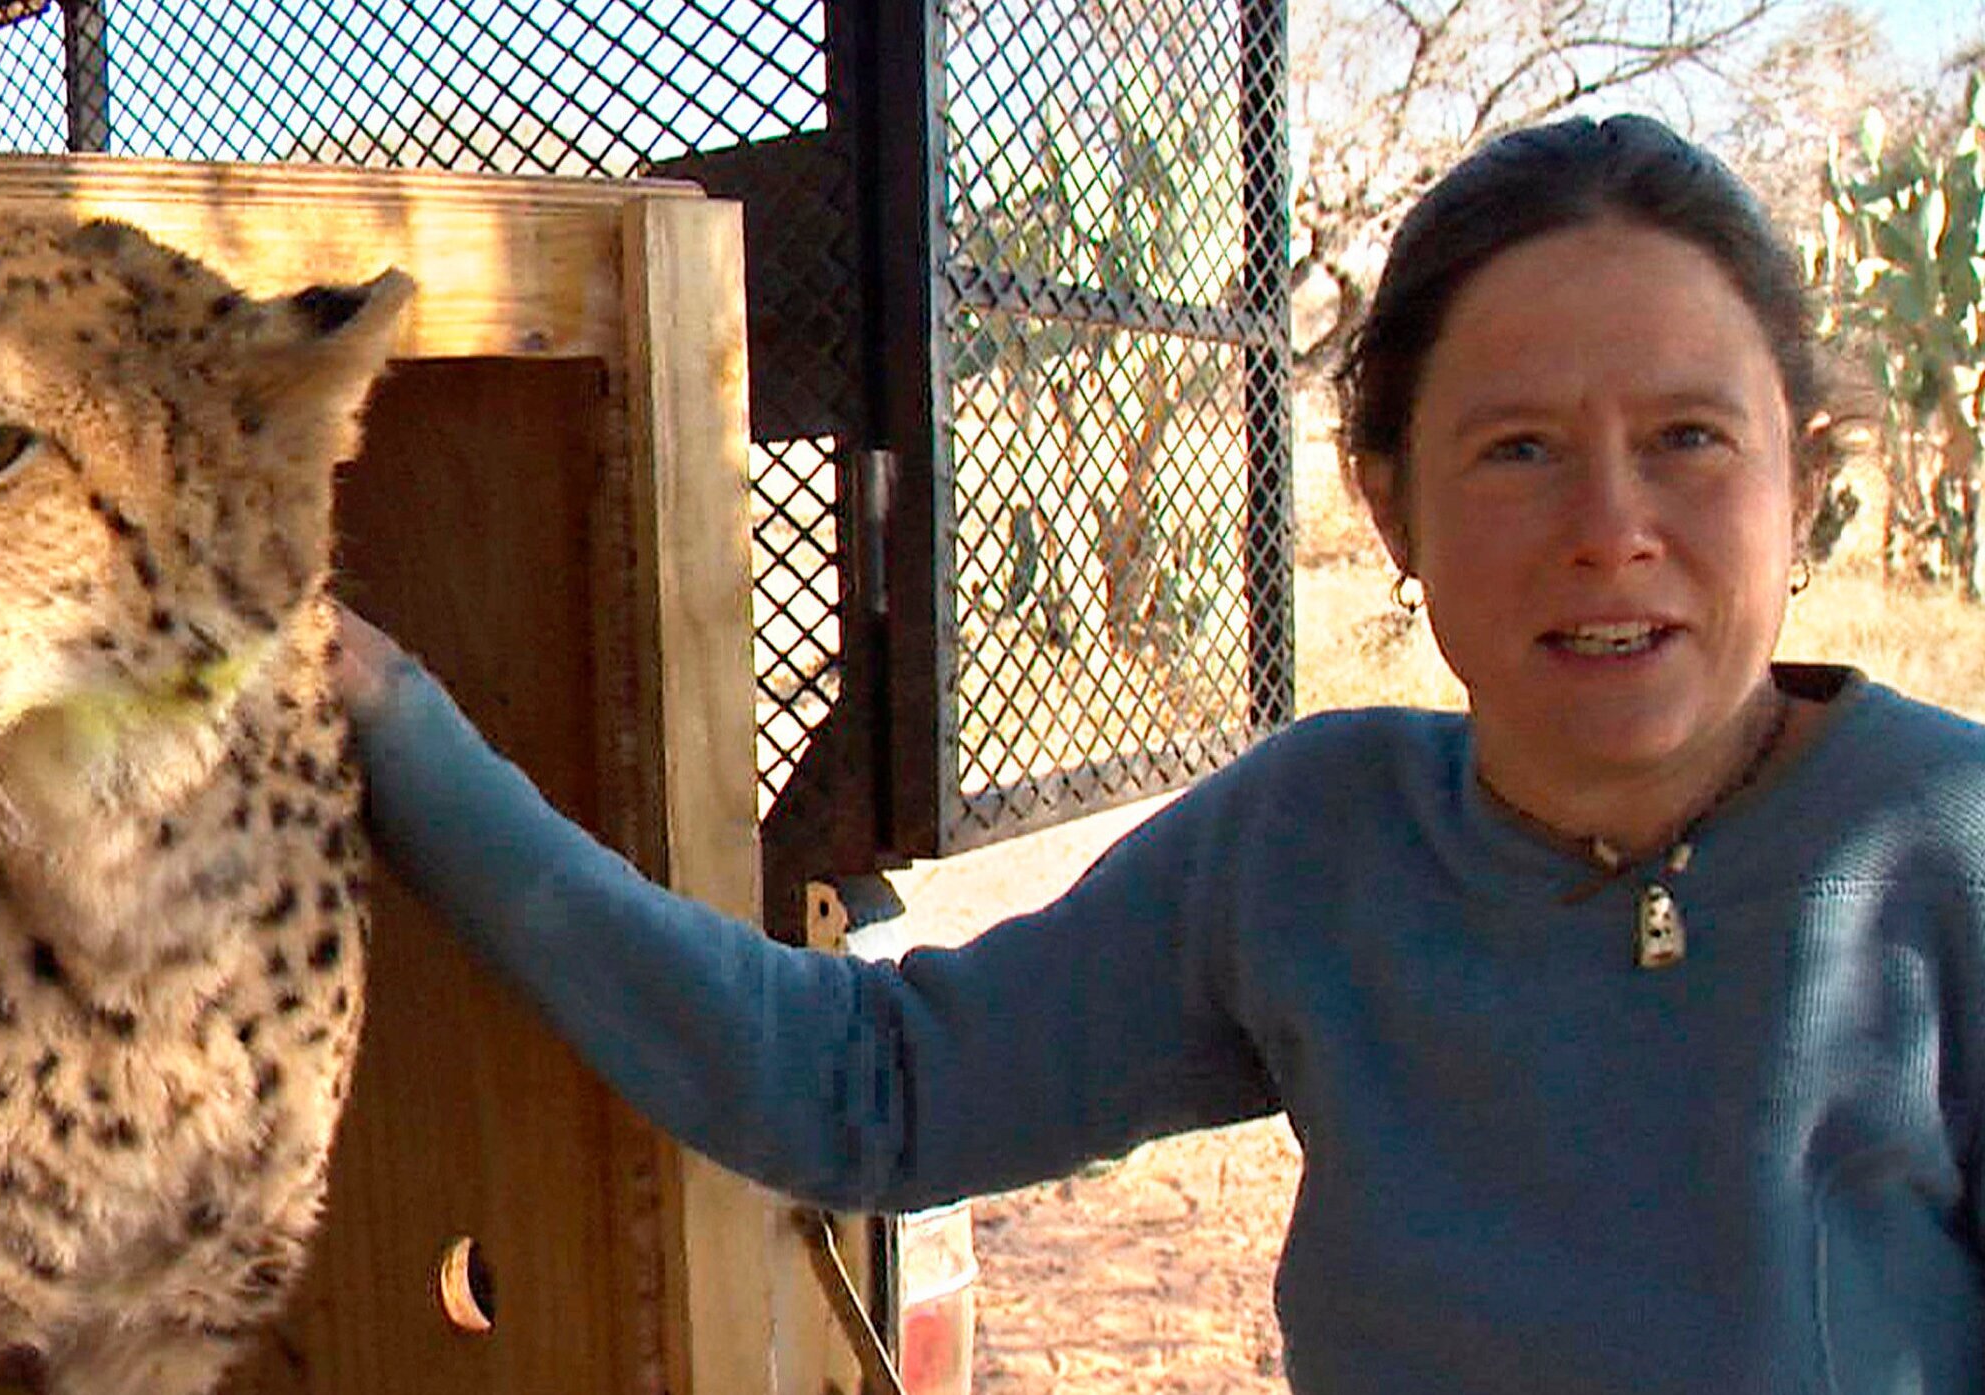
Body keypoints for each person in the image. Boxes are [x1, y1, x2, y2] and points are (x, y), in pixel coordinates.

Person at [334, 114, 1985, 1392]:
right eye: (1519, 450)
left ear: (1805, 477)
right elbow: (868, 1091)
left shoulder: (1944, 845)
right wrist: (394, 727)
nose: (1611, 531)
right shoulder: (1318, 845)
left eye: (1690, 439)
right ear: (1390, 504)